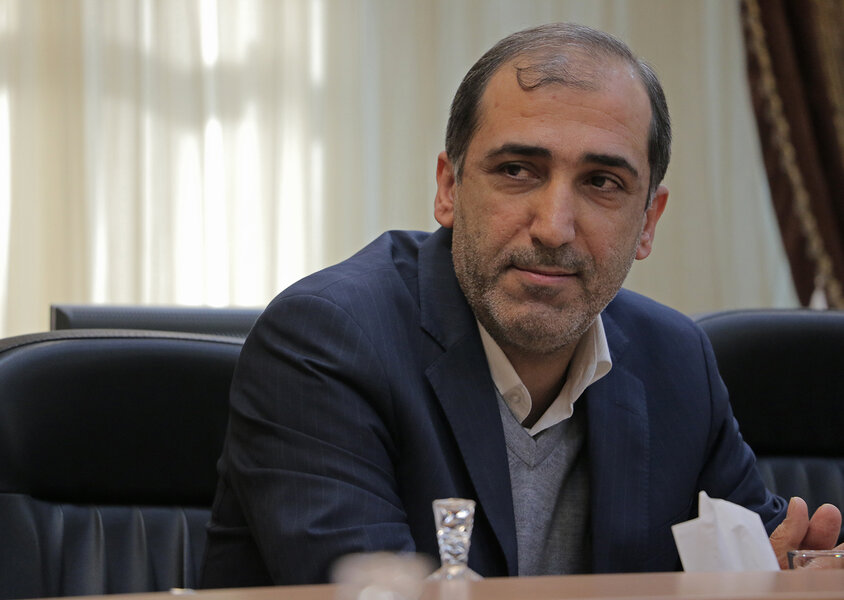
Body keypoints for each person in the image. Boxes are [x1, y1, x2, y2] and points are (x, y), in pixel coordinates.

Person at [200, 22, 842, 587]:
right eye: (516, 170)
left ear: (648, 221)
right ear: (448, 189)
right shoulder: (327, 341)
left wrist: (795, 579)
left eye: (602, 182)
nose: (554, 227)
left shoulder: (674, 362)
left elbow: (761, 561)